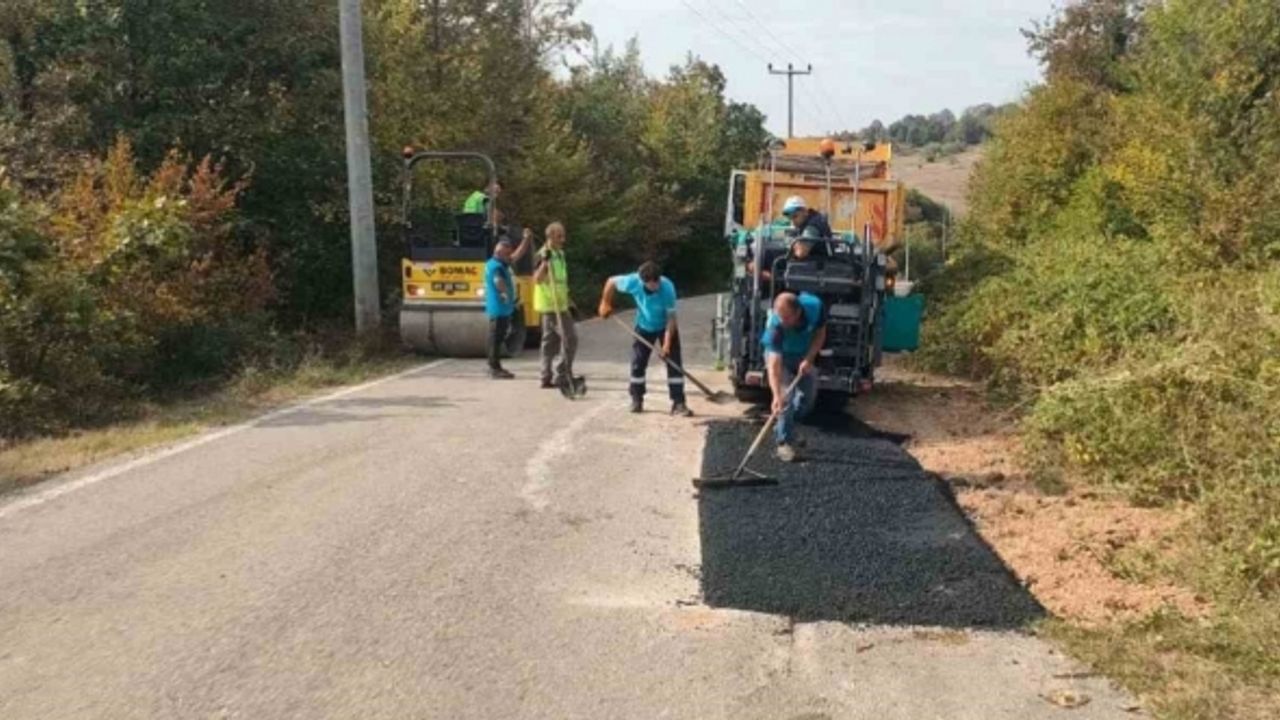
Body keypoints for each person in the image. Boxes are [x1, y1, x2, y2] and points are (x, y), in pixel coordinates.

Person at [598, 262, 693, 417]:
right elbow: (611, 282)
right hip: (643, 325)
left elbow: (671, 320)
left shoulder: (667, 288)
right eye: (650, 284)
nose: (655, 287)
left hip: (665, 327)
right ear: (642, 281)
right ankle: (637, 399)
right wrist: (605, 303)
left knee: (674, 363)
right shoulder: (632, 281)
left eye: (657, 283)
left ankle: (678, 403)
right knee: (638, 363)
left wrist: (666, 346)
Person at [762, 291, 827, 462]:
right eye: (780, 317)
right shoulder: (775, 326)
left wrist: (809, 358)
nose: (783, 321)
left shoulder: (815, 307)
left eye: (787, 318)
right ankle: (783, 443)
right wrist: (776, 395)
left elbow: (820, 334)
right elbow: (774, 365)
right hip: (780, 357)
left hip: (803, 355)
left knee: (807, 400)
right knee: (785, 400)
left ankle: (785, 426)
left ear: (797, 312)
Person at [534, 222, 579, 391]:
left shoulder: (559, 254)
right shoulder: (543, 254)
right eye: (559, 235)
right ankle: (562, 374)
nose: (563, 238)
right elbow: (537, 279)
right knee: (570, 339)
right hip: (550, 305)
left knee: (550, 342)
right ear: (550, 236)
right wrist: (545, 264)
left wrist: (568, 298)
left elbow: (561, 280)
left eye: (563, 234)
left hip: (560, 303)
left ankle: (545, 376)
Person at [483, 227, 532, 379]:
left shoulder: (498, 262)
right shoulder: (496, 266)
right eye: (507, 252)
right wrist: (504, 293)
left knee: (497, 337)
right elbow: (498, 280)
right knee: (496, 338)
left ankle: (494, 366)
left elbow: (517, 255)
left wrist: (526, 240)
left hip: (501, 308)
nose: (510, 255)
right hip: (498, 307)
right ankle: (494, 368)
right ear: (500, 252)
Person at [781, 195, 834, 259]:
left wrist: (791, 242)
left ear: (805, 212)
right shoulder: (806, 222)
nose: (792, 221)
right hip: (814, 261)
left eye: (795, 216)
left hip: (819, 263)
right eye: (790, 218)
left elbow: (801, 252)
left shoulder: (812, 226)